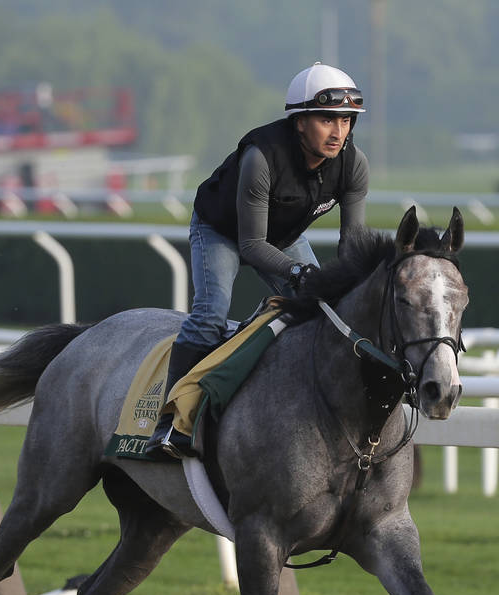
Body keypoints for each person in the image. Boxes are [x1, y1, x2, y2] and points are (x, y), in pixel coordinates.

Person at [144, 62, 370, 458]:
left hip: (283, 237)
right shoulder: (261, 158)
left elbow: (351, 248)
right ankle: (170, 423)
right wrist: (298, 270)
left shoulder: (354, 165)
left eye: (347, 120)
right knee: (211, 313)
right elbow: (251, 245)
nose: (339, 131)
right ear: (299, 122)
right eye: (326, 119)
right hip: (222, 231)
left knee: (327, 313)